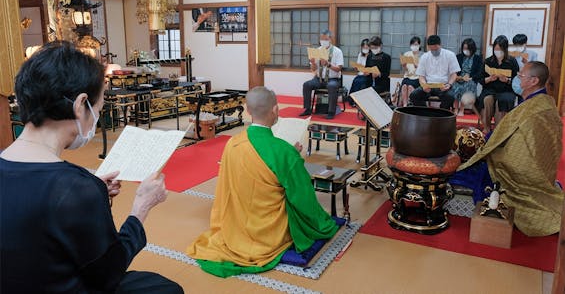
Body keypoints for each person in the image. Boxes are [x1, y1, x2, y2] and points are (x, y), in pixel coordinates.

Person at [0, 42, 182, 293]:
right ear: (80, 104)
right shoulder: (76, 187)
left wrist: (93, 194)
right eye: (98, 109)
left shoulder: (76, 187)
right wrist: (141, 207)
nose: (97, 117)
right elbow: (108, 273)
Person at [187, 87, 339, 277]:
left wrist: (290, 154)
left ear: (248, 111)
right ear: (275, 110)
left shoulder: (232, 143)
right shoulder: (283, 151)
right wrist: (293, 156)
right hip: (269, 232)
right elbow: (302, 197)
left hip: (236, 225)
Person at [457, 61, 563, 237]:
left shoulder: (532, 108)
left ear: (534, 81)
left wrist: (485, 146)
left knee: (476, 169)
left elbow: (507, 140)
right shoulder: (544, 103)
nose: (517, 78)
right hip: (544, 168)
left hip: (525, 169)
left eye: (521, 76)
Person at [477, 35, 519, 134]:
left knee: (502, 101)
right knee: (487, 100)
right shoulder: (488, 61)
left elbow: (517, 80)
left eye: (500, 49)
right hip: (490, 89)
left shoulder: (511, 61)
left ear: (505, 49)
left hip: (506, 90)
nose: (497, 51)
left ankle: (498, 129)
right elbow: (480, 79)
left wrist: (507, 80)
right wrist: (489, 79)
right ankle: (486, 127)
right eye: (495, 49)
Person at [300, 29, 344, 119]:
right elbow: (313, 69)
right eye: (321, 39)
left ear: (330, 39)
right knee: (307, 85)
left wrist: (328, 64)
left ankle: (331, 111)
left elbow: (339, 69)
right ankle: (307, 109)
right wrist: (313, 63)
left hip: (333, 79)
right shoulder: (317, 50)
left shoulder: (337, 51)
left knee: (332, 86)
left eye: (325, 39)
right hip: (319, 79)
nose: (323, 41)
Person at [409, 35, 460, 110]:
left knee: (450, 96)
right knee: (414, 95)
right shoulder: (425, 57)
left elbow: (454, 74)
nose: (434, 52)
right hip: (429, 85)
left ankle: (442, 111)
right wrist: (424, 85)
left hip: (444, 85)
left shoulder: (450, 55)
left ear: (440, 45)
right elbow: (421, 75)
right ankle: (424, 112)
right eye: (431, 49)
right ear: (428, 47)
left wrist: (449, 84)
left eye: (436, 49)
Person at [453, 38, 483, 116]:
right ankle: (455, 108)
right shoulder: (458, 57)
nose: (465, 50)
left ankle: (462, 109)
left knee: (467, 85)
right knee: (455, 85)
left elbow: (480, 73)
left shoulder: (477, 59)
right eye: (464, 48)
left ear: (472, 49)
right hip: (459, 78)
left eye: (467, 48)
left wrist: (471, 77)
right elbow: (454, 70)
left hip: (470, 79)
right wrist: (459, 77)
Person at [511, 34, 539, 99]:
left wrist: (527, 64)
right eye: (517, 45)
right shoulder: (513, 55)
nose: (519, 47)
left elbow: (536, 70)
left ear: (525, 43)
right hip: (516, 80)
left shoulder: (532, 54)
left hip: (528, 80)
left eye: (521, 45)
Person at [399, 36, 422, 107]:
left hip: (417, 77)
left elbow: (424, 70)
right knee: (404, 86)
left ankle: (410, 104)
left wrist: (417, 66)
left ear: (419, 45)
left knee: (410, 87)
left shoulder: (422, 55)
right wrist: (404, 65)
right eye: (412, 45)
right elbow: (405, 69)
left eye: (416, 44)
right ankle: (405, 105)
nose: (414, 46)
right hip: (408, 76)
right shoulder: (407, 54)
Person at [348, 38, 372, 106]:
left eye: (366, 47)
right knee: (356, 80)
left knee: (360, 82)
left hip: (368, 75)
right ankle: (353, 100)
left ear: (369, 47)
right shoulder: (360, 55)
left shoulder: (372, 56)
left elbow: (372, 68)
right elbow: (358, 66)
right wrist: (356, 67)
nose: (365, 48)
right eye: (363, 47)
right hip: (360, 74)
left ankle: (358, 101)